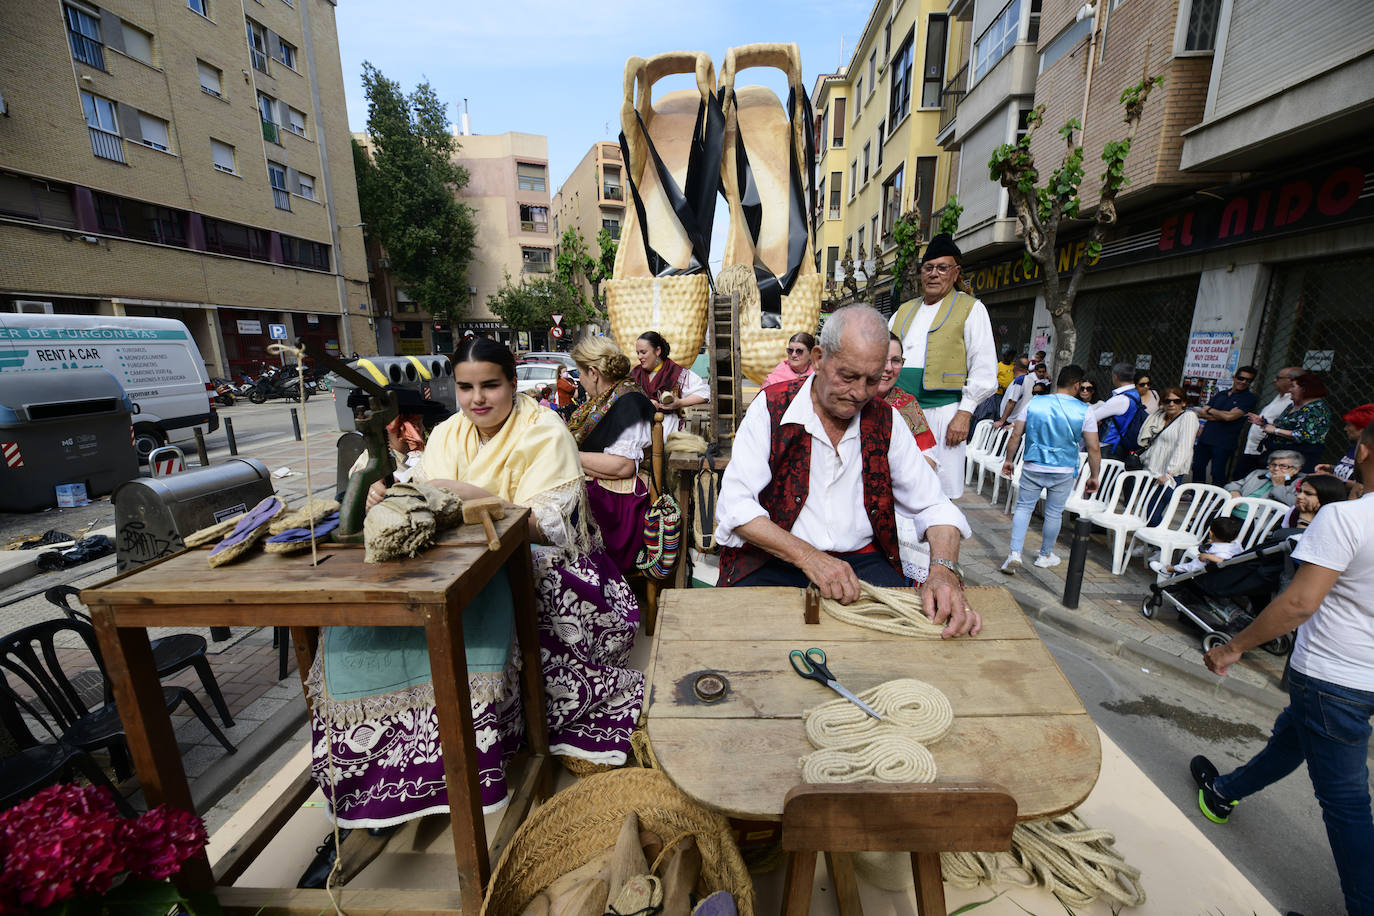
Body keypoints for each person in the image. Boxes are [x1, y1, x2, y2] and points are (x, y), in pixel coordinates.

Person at [314, 338, 643, 828]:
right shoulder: (447, 433)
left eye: (490, 385)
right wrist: (389, 490)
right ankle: (388, 771)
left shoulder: (544, 430)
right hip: (451, 561)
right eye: (466, 387)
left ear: (512, 383)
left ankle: (483, 746)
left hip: (535, 559)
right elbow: (419, 492)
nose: (477, 399)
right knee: (372, 625)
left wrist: (472, 496)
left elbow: (548, 527)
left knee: (489, 615)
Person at [1192, 422, 1374, 916]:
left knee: (1346, 802)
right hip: (1353, 680)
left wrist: (1234, 648)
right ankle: (1224, 792)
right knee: (1291, 736)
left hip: (1336, 676)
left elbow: (1298, 603)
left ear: (1361, 451)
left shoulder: (1346, 518)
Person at [714, 304, 979, 638]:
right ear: (819, 358)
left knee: (916, 646)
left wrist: (943, 571)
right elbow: (735, 506)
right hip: (774, 559)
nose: (858, 393)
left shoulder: (886, 420)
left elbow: (935, 505)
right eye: (848, 376)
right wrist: (808, 556)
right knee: (742, 648)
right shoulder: (770, 408)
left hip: (862, 564)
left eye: (871, 380)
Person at [887, 233, 998, 498]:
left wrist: (965, 413)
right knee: (896, 480)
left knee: (939, 490)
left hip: (944, 413)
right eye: (929, 268)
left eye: (942, 267)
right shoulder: (903, 310)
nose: (934, 274)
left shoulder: (971, 308)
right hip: (900, 410)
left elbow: (984, 370)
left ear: (956, 272)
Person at [998, 364, 1101, 573]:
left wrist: (1009, 460)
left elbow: (1016, 435)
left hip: (1033, 464)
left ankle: (1014, 554)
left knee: (1024, 508)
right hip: (1063, 469)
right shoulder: (1085, 411)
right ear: (1077, 385)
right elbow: (1094, 447)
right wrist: (1095, 475)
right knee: (1054, 513)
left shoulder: (1035, 403)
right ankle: (1045, 555)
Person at [568, 336, 654, 576]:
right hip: (605, 489)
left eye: (581, 374)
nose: (580, 381)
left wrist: (566, 455)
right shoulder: (608, 398)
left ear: (594, 373)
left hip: (619, 505)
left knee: (558, 511)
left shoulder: (629, 402)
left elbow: (623, 466)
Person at [1137, 386, 1199, 524]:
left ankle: (1157, 544)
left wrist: (1169, 473)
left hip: (1169, 473)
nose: (1171, 404)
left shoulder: (1188, 417)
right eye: (1167, 401)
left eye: (1176, 401)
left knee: (1154, 511)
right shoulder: (1159, 416)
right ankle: (1150, 544)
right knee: (1147, 510)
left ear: (1183, 403)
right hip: (1151, 469)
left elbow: (1184, 447)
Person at [631, 330, 709, 437]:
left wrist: (680, 403)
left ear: (657, 350)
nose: (639, 357)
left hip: (667, 427)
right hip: (638, 427)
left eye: (643, 352)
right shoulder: (635, 373)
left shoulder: (675, 372)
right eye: (638, 353)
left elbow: (704, 393)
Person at [1252, 372, 1334, 473]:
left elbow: (1303, 435)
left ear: (1304, 389)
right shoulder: (1293, 406)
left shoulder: (1316, 409)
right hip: (1278, 455)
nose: (1289, 390)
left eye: (1293, 386)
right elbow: (1285, 426)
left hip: (1297, 460)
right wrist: (1265, 424)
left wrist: (1275, 430)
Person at [1191, 367, 1259, 484]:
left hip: (1224, 442)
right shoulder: (1221, 394)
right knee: (1197, 466)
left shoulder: (1249, 398)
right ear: (1234, 377)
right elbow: (1202, 413)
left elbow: (1230, 417)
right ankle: (1195, 495)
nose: (1243, 382)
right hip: (1206, 438)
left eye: (1248, 380)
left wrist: (1212, 410)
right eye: (1241, 378)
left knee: (1217, 472)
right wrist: (1224, 415)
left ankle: (1218, 500)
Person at [1235, 366, 1301, 478]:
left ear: (1291, 380)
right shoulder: (1279, 397)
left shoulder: (1293, 401)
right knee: (1239, 479)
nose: (1274, 380)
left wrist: (1271, 428)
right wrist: (1262, 422)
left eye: (1278, 378)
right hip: (1252, 449)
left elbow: (1290, 428)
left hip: (1266, 453)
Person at [877, 333, 936, 452]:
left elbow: (927, 453)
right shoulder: (848, 401)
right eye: (881, 359)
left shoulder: (906, 404)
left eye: (896, 360)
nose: (888, 368)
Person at [1149, 515, 1244, 577]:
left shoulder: (1215, 554)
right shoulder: (1236, 544)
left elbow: (1193, 567)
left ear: (1211, 533)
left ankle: (1168, 570)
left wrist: (1209, 556)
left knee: (1195, 563)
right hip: (1233, 574)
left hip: (1215, 575)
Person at [1315, 404, 1374, 498]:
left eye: (1349, 425)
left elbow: (1361, 486)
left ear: (1363, 429)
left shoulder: (1368, 452)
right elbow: (1351, 470)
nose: (1345, 429)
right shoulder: (1356, 448)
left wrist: (1331, 479)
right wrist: (1332, 468)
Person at [1093, 363, 1144, 456]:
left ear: (1115, 377)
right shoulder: (1135, 395)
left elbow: (1091, 417)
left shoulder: (1120, 399)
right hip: (1122, 445)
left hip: (1109, 446)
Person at [1224, 449, 1303, 509]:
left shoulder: (1299, 484)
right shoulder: (1259, 473)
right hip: (1232, 510)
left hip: (1256, 523)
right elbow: (1234, 484)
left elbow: (1295, 504)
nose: (1276, 469)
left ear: (1296, 469)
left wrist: (1279, 486)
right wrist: (1234, 491)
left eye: (1283, 466)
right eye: (1273, 464)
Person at [1283, 474, 1348, 530]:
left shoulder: (1336, 523)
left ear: (1325, 498)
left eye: (1308, 494)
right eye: (1300, 491)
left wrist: (1304, 522)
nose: (1299, 496)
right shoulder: (1295, 510)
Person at [995, 361, 1047, 429]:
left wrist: (1001, 421)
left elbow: (1012, 402)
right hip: (1020, 421)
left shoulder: (1019, 381)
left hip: (1010, 422)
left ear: (1015, 367)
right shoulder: (1032, 380)